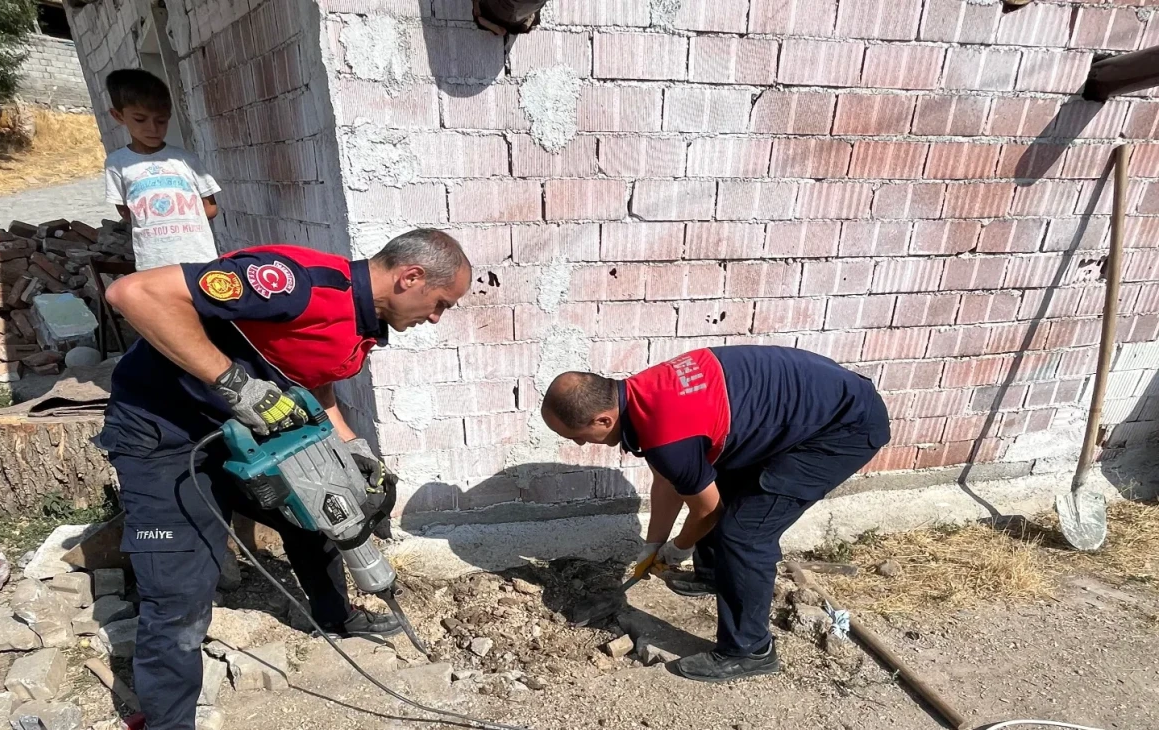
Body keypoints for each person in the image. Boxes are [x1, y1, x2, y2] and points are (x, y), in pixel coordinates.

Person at [98, 230, 471, 729]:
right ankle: (167, 722)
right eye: (440, 304)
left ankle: (334, 619)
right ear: (411, 278)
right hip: (166, 437)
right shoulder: (296, 283)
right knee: (179, 592)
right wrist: (233, 382)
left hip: (242, 434)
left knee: (323, 509)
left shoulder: (359, 320)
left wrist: (352, 451)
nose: (435, 318)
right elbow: (134, 293)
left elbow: (309, 376)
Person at [541, 345, 890, 683]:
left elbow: (708, 511)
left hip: (843, 426)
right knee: (716, 477)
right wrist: (653, 544)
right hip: (806, 406)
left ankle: (750, 651)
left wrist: (678, 549)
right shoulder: (642, 394)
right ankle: (715, 575)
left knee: (744, 533)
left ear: (603, 419)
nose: (580, 445)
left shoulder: (665, 431)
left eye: (578, 437)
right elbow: (670, 479)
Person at [103, 68, 222, 271]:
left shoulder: (186, 159)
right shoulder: (117, 164)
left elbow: (211, 208)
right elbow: (126, 211)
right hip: (153, 263)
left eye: (161, 120)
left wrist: (176, 222)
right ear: (118, 116)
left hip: (200, 260)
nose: (153, 128)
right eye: (140, 119)